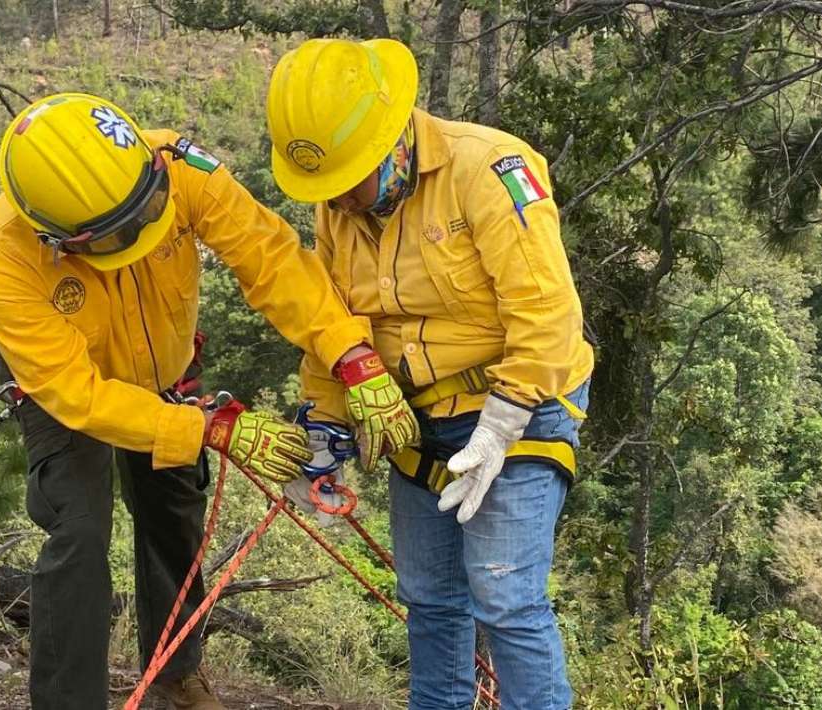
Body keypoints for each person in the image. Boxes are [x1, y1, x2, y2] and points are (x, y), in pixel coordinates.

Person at [0, 92, 417, 710]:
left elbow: (269, 257)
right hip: (67, 391)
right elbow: (78, 393)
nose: (145, 228)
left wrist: (352, 356)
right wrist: (210, 429)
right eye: (117, 234)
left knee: (173, 516)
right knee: (78, 530)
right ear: (60, 238)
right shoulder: (4, 256)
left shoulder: (176, 165)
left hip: (166, 368)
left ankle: (175, 673)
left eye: (149, 208)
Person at [266, 39, 595, 710]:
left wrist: (502, 423)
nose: (341, 203)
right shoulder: (340, 204)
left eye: (349, 182)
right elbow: (336, 318)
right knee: (431, 598)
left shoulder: (488, 170)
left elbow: (546, 309)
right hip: (418, 417)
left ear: (391, 140)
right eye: (329, 190)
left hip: (520, 398)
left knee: (503, 594)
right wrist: (324, 427)